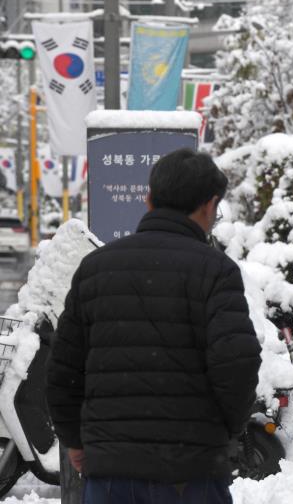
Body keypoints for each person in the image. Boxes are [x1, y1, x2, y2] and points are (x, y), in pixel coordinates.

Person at [46, 149, 262, 503]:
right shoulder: (216, 271)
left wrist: (75, 439)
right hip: (191, 476)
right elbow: (238, 364)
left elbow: (63, 371)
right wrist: (223, 431)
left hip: (110, 476)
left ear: (148, 200)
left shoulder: (95, 268)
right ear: (210, 205)